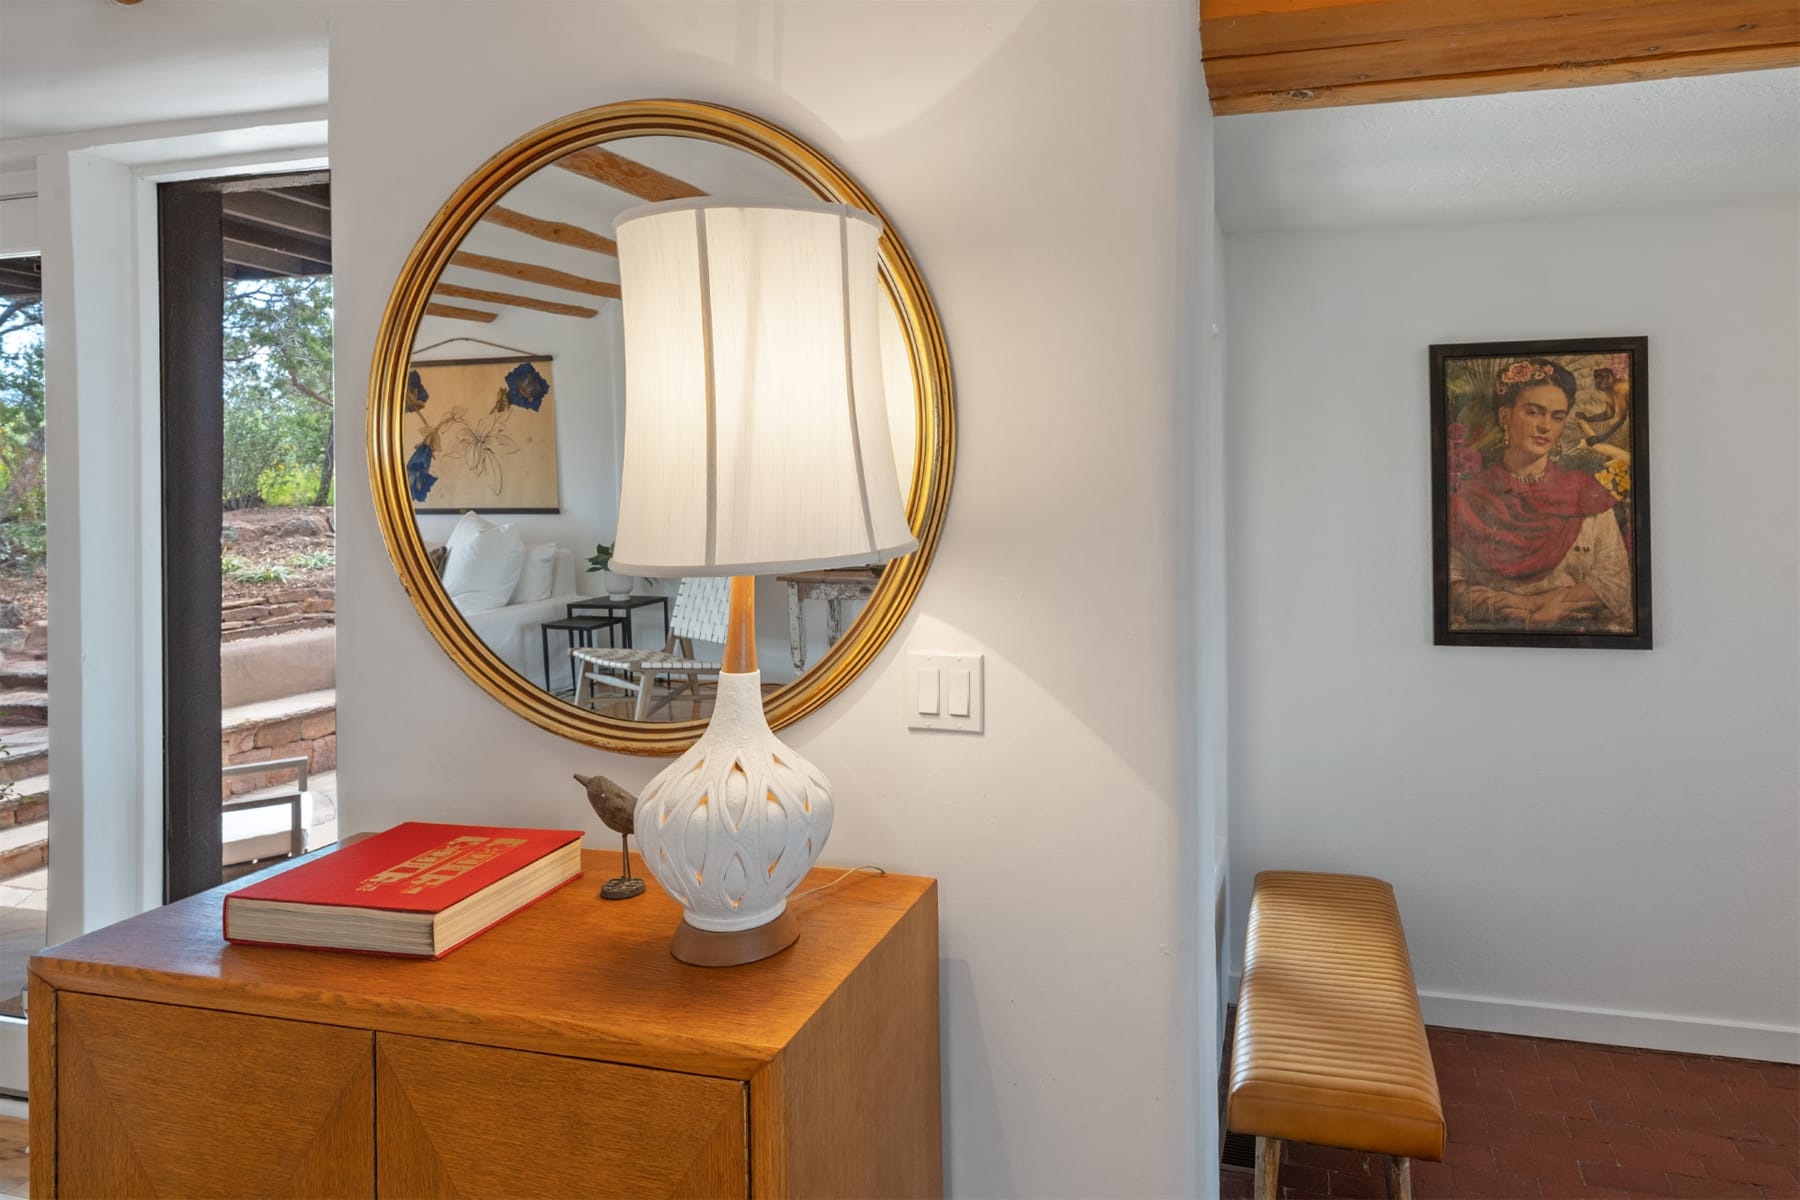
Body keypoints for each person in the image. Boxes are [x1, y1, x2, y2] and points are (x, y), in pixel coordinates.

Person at [1448, 358, 1632, 632]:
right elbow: (1452, 583)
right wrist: (1519, 609)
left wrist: (1529, 604)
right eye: (1534, 412)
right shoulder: (1470, 498)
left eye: (1557, 416)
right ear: (1505, 417)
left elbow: (1614, 583)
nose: (1546, 426)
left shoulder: (1586, 495)